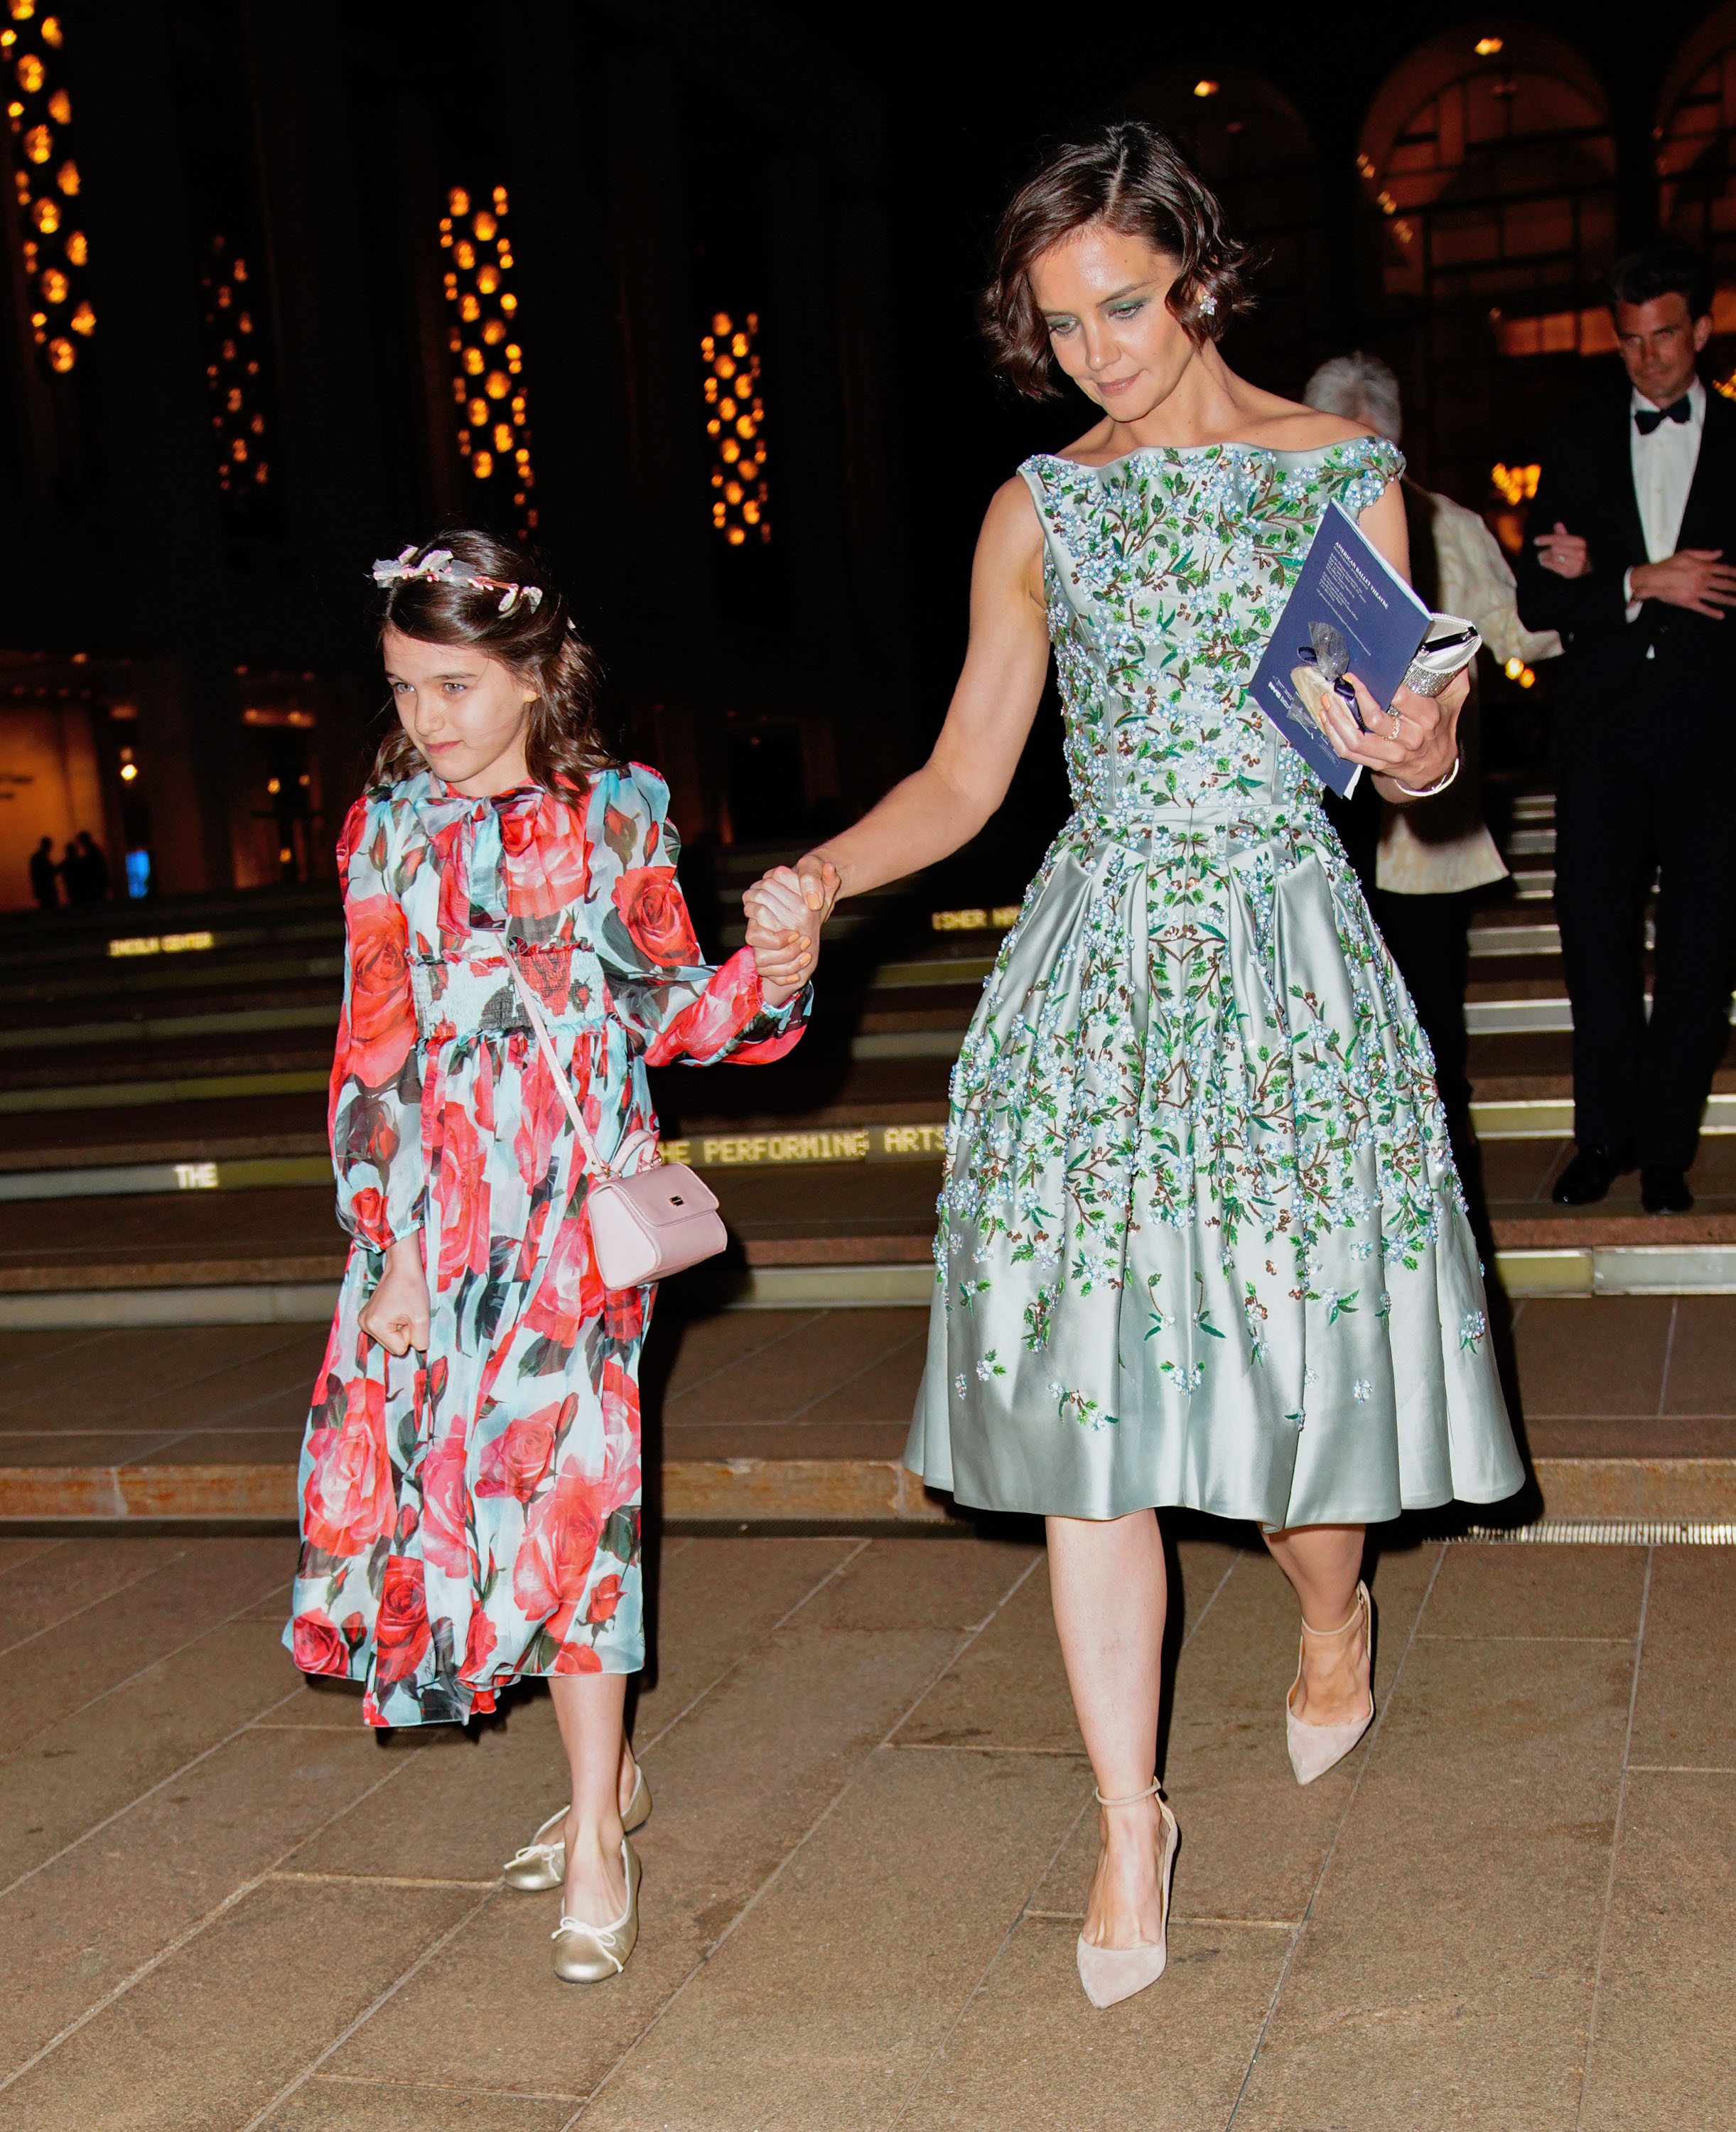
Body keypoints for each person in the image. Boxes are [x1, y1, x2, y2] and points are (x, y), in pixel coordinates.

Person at [744, 123, 1521, 2011]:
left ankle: (1331, 1620)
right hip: (1093, 985)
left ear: (1198, 276)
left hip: (1285, 967)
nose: (1095, 352)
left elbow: (1402, 753)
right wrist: (815, 879)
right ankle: (1129, 1816)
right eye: (1057, 326)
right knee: (1096, 1425)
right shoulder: (1037, 509)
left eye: (1121, 309)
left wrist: (1417, 758)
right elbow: (963, 776)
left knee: (1297, 1426)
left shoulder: (1341, 475)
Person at [284, 530, 819, 1985]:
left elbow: (670, 1015)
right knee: (466, 1503)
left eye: (456, 686)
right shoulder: (382, 833)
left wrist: (772, 974)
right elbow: (373, 1050)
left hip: (579, 1221)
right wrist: (389, 1245)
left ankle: (596, 1832)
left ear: (534, 677)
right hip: (439, 1219)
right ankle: (613, 1779)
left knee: (581, 1501)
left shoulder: (621, 815)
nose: (427, 720)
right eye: (405, 687)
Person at [1516, 244, 1736, 1215]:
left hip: (1712, 740)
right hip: (1601, 739)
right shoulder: (1569, 447)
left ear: (1698, 331)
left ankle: (1663, 1156)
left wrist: (1597, 584)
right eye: (1628, 343)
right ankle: (1598, 1137)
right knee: (1590, 941)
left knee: (1697, 952)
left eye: (1662, 338)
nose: (1646, 360)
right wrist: (1637, 582)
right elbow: (1531, 597)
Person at [1302, 351, 1561, 1158]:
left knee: (1429, 1044)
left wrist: (1579, 582)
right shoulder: (1280, 536)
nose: (1353, 468)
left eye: (1369, 446)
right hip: (1308, 830)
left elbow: (1520, 631)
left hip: (1416, 834)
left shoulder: (1447, 524)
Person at [74, 829, 110, 902]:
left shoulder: (92, 851)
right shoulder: (93, 850)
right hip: (99, 882)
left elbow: (90, 865)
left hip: (97, 883)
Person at [28, 835, 58, 909]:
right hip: (46, 889)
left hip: (43, 888)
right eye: (50, 845)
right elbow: (43, 873)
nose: (51, 847)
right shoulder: (41, 857)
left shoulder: (38, 857)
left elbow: (34, 874)